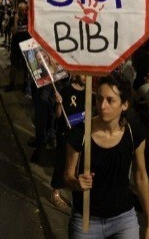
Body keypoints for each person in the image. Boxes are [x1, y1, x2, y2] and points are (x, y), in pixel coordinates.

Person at [64, 74, 149, 239]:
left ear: (124, 104)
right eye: (99, 99)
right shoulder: (80, 134)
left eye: (110, 100)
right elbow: (67, 176)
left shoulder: (135, 134)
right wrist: (77, 183)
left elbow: (141, 176)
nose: (102, 106)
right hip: (86, 220)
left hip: (123, 220)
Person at [50, 75, 85, 209]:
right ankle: (55, 193)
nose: (85, 77)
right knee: (61, 160)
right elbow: (58, 114)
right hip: (65, 132)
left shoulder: (89, 93)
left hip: (80, 133)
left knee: (75, 164)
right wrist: (59, 103)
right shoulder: (65, 90)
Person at [7, 1, 30, 94]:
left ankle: (25, 84)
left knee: (26, 67)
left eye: (25, 10)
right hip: (16, 46)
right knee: (14, 66)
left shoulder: (29, 19)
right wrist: (16, 20)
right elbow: (14, 32)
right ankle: (12, 83)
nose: (24, 11)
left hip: (27, 46)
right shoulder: (13, 19)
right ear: (18, 10)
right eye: (22, 10)